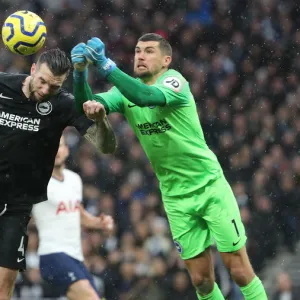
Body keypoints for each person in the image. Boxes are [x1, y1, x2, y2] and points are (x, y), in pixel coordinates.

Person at [71, 34, 268, 300]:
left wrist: (106, 64)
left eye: (149, 51)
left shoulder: (175, 81)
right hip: (175, 196)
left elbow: (145, 96)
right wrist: (80, 73)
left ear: (166, 60)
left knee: (239, 270)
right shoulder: (123, 92)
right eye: (138, 51)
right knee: (201, 281)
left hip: (210, 187)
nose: (140, 56)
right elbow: (86, 106)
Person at [0, 48, 116, 300]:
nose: (44, 90)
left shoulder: (63, 103)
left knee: (5, 283)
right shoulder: (2, 84)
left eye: (53, 86)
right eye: (41, 81)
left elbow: (106, 146)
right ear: (32, 70)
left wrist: (102, 120)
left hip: (17, 204)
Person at [32, 135, 114, 299]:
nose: (56, 150)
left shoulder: (74, 180)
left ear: (67, 150)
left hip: (75, 258)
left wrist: (100, 223)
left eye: (60, 145)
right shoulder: (36, 180)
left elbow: (79, 215)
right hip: (53, 255)